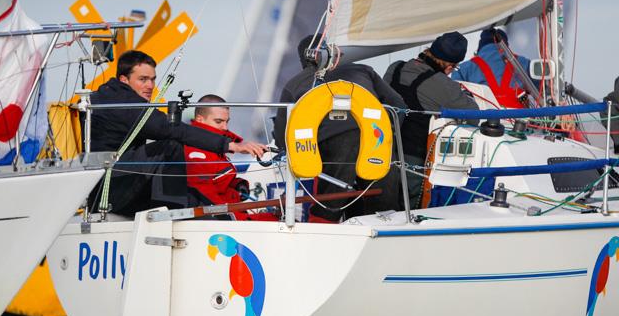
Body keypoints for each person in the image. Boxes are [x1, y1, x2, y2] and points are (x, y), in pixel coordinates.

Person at [87, 50, 267, 216]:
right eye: (143, 79)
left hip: (112, 181)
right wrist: (230, 145)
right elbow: (166, 128)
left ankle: (184, 205)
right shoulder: (123, 103)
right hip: (107, 190)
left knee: (170, 156)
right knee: (171, 146)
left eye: (152, 79)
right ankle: (177, 213)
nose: (150, 85)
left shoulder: (112, 96)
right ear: (124, 80)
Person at [273, 37, 408, 223]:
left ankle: (324, 230)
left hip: (335, 144)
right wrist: (389, 135)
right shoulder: (362, 70)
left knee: (332, 203)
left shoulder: (294, 84)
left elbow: (283, 134)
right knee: (383, 203)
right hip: (375, 140)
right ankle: (388, 228)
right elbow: (398, 106)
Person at [384, 31, 479, 208]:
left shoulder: (394, 68)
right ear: (450, 67)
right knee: (406, 212)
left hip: (381, 154)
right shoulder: (442, 84)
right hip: (412, 163)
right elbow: (473, 116)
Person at [184, 94, 278, 221]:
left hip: (230, 212)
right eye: (219, 121)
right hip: (220, 221)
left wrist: (238, 185)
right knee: (279, 220)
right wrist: (247, 219)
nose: (225, 127)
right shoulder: (195, 153)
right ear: (200, 119)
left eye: (227, 121)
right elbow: (207, 198)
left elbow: (217, 180)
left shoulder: (213, 148)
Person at [452, 28, 532, 108]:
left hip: (483, 118)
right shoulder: (522, 63)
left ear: (480, 46)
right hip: (520, 116)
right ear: (506, 46)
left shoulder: (462, 69)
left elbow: (454, 97)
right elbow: (541, 89)